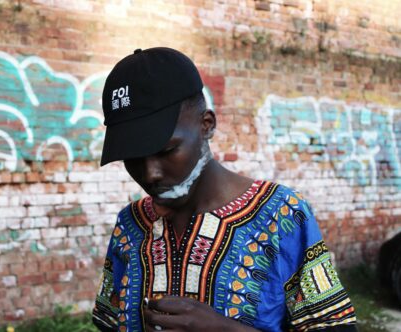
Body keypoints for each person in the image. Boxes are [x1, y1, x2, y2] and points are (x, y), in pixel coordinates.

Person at [92, 47, 357, 332]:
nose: (150, 174)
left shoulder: (282, 215)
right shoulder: (130, 224)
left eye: (166, 151)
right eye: (132, 158)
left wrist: (224, 328)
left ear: (206, 125)